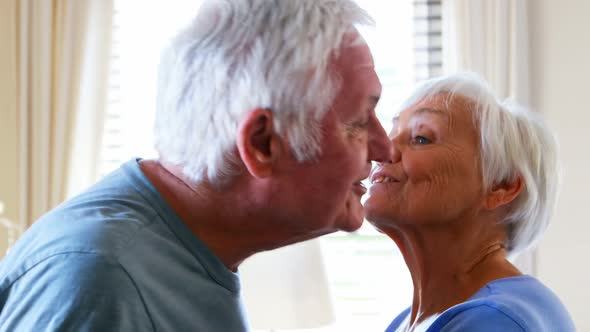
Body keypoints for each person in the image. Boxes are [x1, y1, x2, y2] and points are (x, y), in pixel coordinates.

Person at [0, 1, 392, 330]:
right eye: (358, 123)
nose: (385, 148)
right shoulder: (104, 280)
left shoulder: (182, 254)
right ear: (261, 143)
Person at [365, 73, 575, 332]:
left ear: (501, 185)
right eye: (391, 134)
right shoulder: (405, 322)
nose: (382, 150)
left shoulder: (496, 320)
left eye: (421, 138)